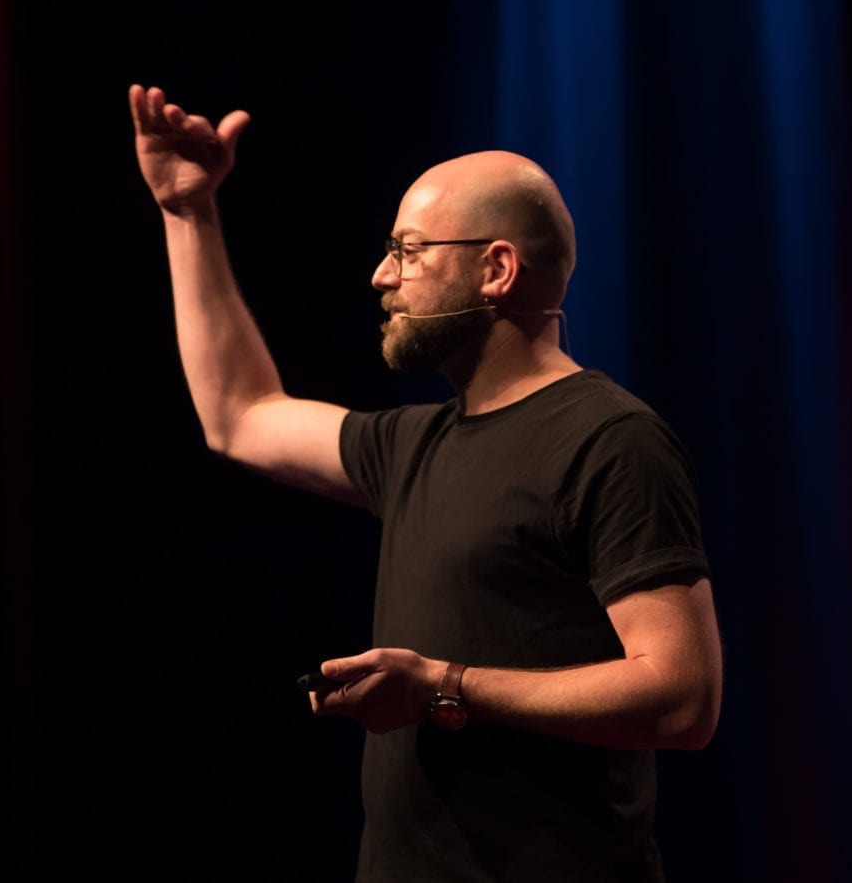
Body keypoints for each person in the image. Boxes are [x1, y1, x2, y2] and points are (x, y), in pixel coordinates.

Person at [127, 83, 723, 882]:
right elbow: (239, 413)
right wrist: (187, 213)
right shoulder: (414, 442)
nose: (381, 275)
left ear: (496, 268)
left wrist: (444, 686)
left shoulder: (608, 440)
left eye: (409, 251)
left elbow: (683, 697)